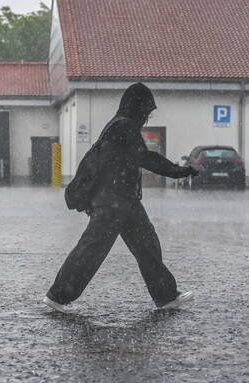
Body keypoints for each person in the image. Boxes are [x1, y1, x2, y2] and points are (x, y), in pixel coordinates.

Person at [44, 82, 198, 313]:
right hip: (113, 201)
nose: (147, 116)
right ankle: (57, 296)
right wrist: (178, 170)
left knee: (146, 245)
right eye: (147, 110)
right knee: (92, 250)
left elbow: (118, 162)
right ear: (138, 107)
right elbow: (144, 158)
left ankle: (166, 296)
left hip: (123, 200)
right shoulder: (123, 126)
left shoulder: (119, 125)